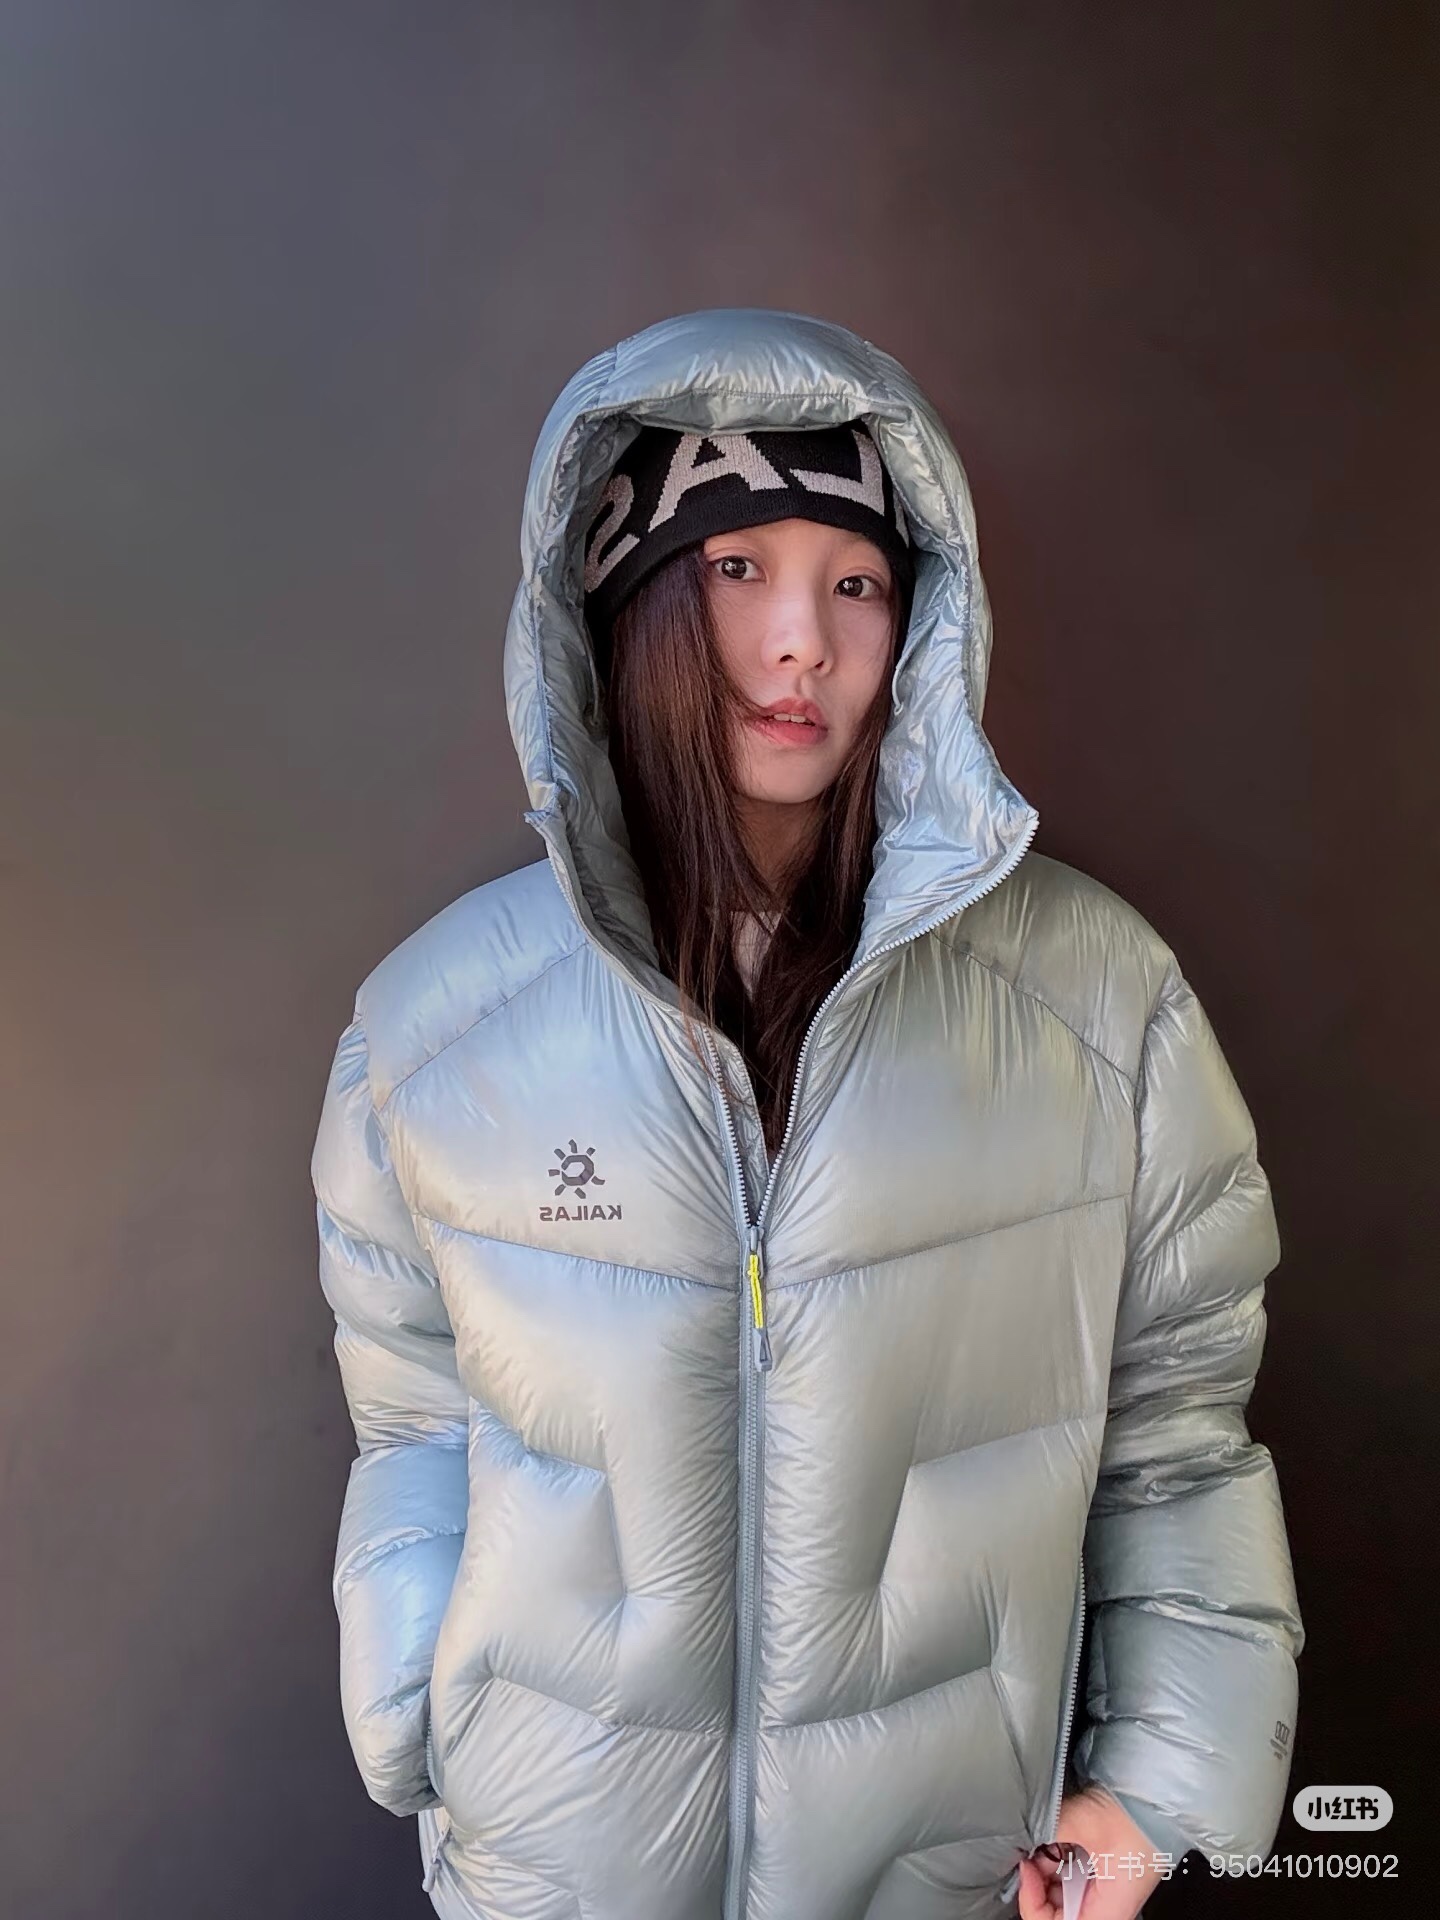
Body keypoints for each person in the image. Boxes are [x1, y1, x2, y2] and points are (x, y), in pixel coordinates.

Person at [310, 308, 1304, 1920]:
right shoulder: (432, 1032)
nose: (803, 644)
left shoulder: (1099, 1003)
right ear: (623, 605)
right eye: (734, 568)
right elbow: (416, 1419)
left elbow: (1177, 1434)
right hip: (552, 1872)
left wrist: (1152, 1802)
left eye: (855, 583)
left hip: (940, 1874)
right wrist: (418, 1716)